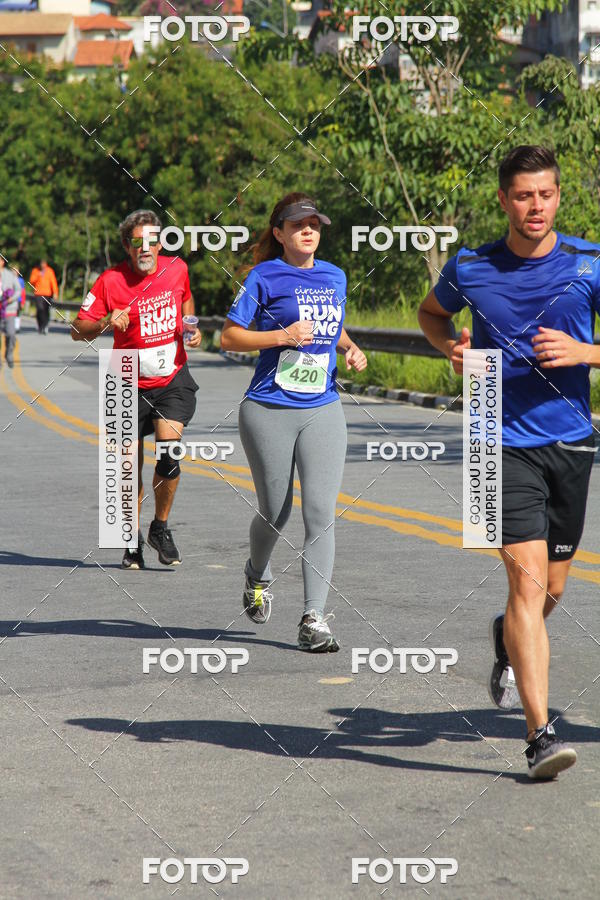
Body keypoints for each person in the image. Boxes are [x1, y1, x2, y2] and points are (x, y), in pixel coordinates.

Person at [418, 145, 599, 779]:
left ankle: (504, 637)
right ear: (503, 200)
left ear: (557, 196)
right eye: (523, 196)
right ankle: (540, 736)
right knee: (526, 584)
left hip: (571, 441)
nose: (536, 207)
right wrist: (451, 350)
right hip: (494, 438)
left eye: (546, 194)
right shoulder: (471, 268)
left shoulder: (589, 263)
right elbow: (431, 315)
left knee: (551, 590)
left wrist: (586, 351)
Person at [221, 193, 367, 652]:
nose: (308, 230)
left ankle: (313, 618)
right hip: (268, 409)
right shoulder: (263, 276)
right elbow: (229, 336)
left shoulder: (335, 276)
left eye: (315, 224)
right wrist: (281, 336)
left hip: (322, 406)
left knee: (321, 512)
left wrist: (348, 347)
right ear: (280, 233)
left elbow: (332, 324)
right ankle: (257, 575)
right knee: (276, 510)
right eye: (298, 224)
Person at [70, 210, 202, 569]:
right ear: (127, 246)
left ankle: (160, 528)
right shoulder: (110, 281)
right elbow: (76, 329)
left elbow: (186, 300)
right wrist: (103, 321)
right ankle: (131, 540)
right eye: (137, 242)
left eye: (152, 240)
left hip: (171, 377)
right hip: (124, 378)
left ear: (160, 242)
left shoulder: (176, 269)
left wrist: (190, 327)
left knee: (169, 451)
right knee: (127, 469)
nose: (145, 248)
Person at [0, 257, 22, 369]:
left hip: (9, 309)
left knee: (11, 334)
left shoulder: (10, 275)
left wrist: (11, 299)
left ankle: (8, 354)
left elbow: (18, 290)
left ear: (2, 262)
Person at [29, 259, 58, 334]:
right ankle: (40, 325)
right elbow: (31, 281)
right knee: (39, 309)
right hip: (38, 293)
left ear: (46, 264)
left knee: (46, 310)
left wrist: (55, 292)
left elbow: (53, 282)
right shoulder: (35, 271)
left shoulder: (49, 271)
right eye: (41, 264)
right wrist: (38, 276)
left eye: (44, 264)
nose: (43, 265)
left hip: (47, 294)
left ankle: (45, 325)